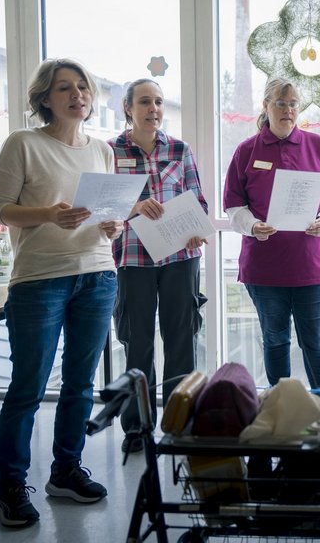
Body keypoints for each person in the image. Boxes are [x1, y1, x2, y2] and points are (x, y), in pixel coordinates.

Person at [0, 58, 123, 528]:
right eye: (65, 88)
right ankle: (9, 487)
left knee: (80, 384)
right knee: (27, 388)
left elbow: (111, 217)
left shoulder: (102, 150)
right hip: (40, 279)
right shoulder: (23, 144)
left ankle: (65, 471)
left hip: (98, 275)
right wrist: (47, 213)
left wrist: (114, 224)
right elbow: (0, 209)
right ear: (45, 98)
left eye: (83, 87)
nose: (77, 95)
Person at [223, 77, 320, 397]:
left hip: (311, 266)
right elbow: (233, 206)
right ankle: (279, 410)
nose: (288, 110)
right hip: (265, 268)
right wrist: (252, 226)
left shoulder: (317, 145)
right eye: (281, 102)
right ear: (266, 106)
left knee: (315, 341)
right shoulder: (246, 151)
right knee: (275, 340)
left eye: (293, 104)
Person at [109, 78, 208, 454]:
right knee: (138, 343)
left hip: (180, 257)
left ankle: (180, 421)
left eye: (159, 102)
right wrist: (134, 207)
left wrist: (198, 230)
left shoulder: (180, 150)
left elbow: (197, 200)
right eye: (146, 102)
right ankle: (136, 427)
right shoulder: (110, 151)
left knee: (182, 338)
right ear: (128, 109)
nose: (154, 109)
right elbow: (101, 208)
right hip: (133, 258)